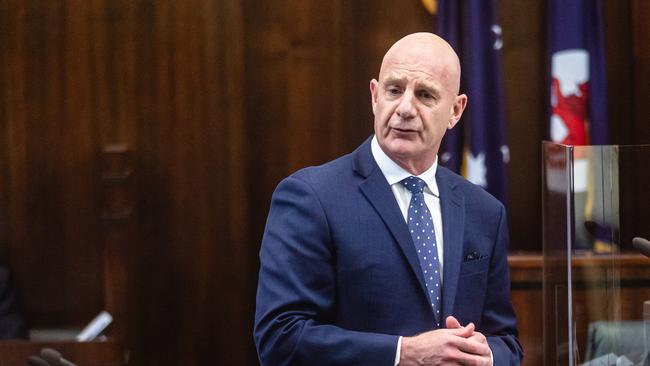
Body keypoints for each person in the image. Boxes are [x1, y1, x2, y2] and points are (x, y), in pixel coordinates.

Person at [254, 32, 522, 365]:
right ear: (374, 96)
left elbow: (506, 341)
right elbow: (281, 339)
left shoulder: (485, 211)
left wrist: (487, 357)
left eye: (425, 95)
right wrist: (403, 353)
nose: (405, 108)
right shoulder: (310, 197)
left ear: (455, 110)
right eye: (394, 90)